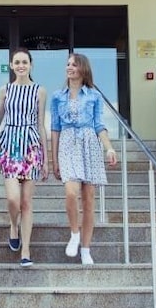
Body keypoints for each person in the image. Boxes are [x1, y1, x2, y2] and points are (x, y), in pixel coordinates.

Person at [49, 53, 118, 265]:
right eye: (68, 64)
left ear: (83, 69)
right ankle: (74, 234)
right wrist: (54, 159)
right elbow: (55, 129)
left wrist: (109, 148)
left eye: (74, 64)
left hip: (89, 144)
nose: (69, 67)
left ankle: (86, 249)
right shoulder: (57, 96)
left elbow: (99, 125)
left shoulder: (94, 96)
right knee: (71, 193)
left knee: (88, 200)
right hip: (67, 143)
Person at [0, 48, 48, 267]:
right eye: (16, 62)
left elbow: (40, 124)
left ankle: (26, 250)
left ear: (31, 65)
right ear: (11, 65)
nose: (21, 65)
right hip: (10, 145)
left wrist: (46, 159)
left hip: (31, 146)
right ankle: (13, 225)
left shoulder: (39, 91)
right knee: (13, 199)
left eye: (24, 62)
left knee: (26, 202)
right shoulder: (5, 90)